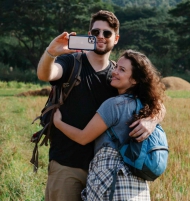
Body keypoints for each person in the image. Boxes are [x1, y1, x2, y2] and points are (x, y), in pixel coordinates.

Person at [37, 10, 166, 201]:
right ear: (89, 35)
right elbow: (45, 74)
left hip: (104, 172)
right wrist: (51, 52)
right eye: (95, 32)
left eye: (107, 33)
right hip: (67, 165)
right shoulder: (72, 63)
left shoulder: (117, 78)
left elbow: (155, 103)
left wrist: (151, 121)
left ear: (116, 39)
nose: (100, 37)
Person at [53, 49, 165, 200]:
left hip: (112, 183)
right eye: (116, 67)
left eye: (122, 70)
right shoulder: (146, 105)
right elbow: (161, 108)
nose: (114, 72)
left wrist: (58, 123)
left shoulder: (114, 105)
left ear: (134, 80)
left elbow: (83, 137)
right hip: (136, 188)